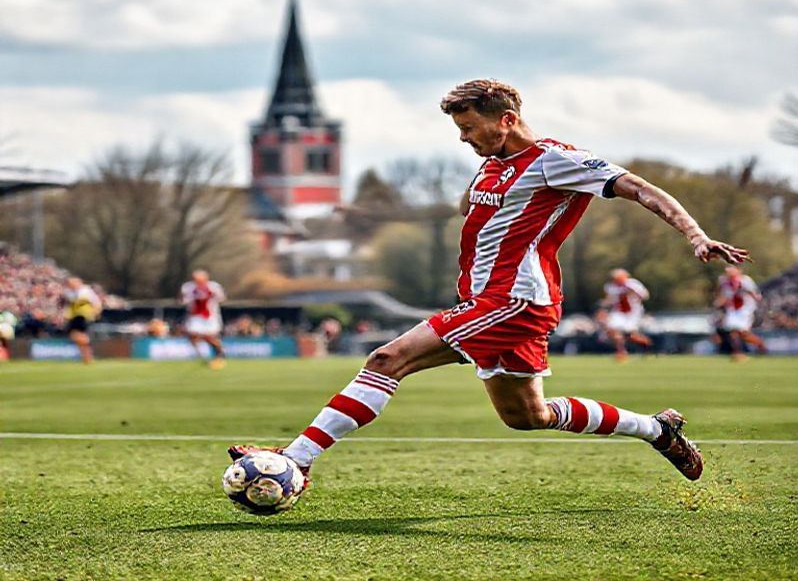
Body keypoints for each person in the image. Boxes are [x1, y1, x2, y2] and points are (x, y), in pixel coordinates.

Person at [230, 79, 750, 492]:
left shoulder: (556, 160)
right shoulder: (490, 169)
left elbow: (638, 187)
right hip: (492, 303)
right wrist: (371, 212)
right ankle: (658, 429)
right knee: (528, 416)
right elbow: (449, 212)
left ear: (506, 119)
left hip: (516, 300)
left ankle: (295, 460)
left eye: (469, 127)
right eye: (459, 129)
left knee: (387, 361)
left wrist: (696, 235)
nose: (463, 138)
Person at [715, 266, 766, 360]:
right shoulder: (725, 282)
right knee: (733, 332)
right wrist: (720, 302)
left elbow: (752, 292)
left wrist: (757, 299)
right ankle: (738, 353)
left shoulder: (745, 280)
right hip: (732, 309)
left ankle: (760, 344)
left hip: (745, 309)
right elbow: (725, 294)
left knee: (743, 333)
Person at [601, 269, 652, 361]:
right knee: (612, 329)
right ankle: (621, 352)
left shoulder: (632, 284)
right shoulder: (611, 287)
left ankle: (646, 344)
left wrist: (633, 292)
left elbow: (645, 296)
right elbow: (610, 299)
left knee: (631, 335)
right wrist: (604, 305)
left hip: (633, 312)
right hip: (618, 312)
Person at [180, 270, 226, 369]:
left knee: (208, 336)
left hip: (210, 316)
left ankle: (220, 352)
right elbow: (184, 299)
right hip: (195, 316)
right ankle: (202, 356)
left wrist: (211, 296)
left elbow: (221, 298)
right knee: (192, 335)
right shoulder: (188, 287)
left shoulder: (213, 287)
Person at [62, 277, 102, 364]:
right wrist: (66, 314)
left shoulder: (86, 291)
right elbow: (69, 306)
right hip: (74, 317)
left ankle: (88, 355)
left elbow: (96, 302)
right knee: (75, 336)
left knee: (79, 335)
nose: (70, 285)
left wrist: (96, 312)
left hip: (84, 316)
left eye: (72, 283)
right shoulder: (69, 293)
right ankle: (87, 355)